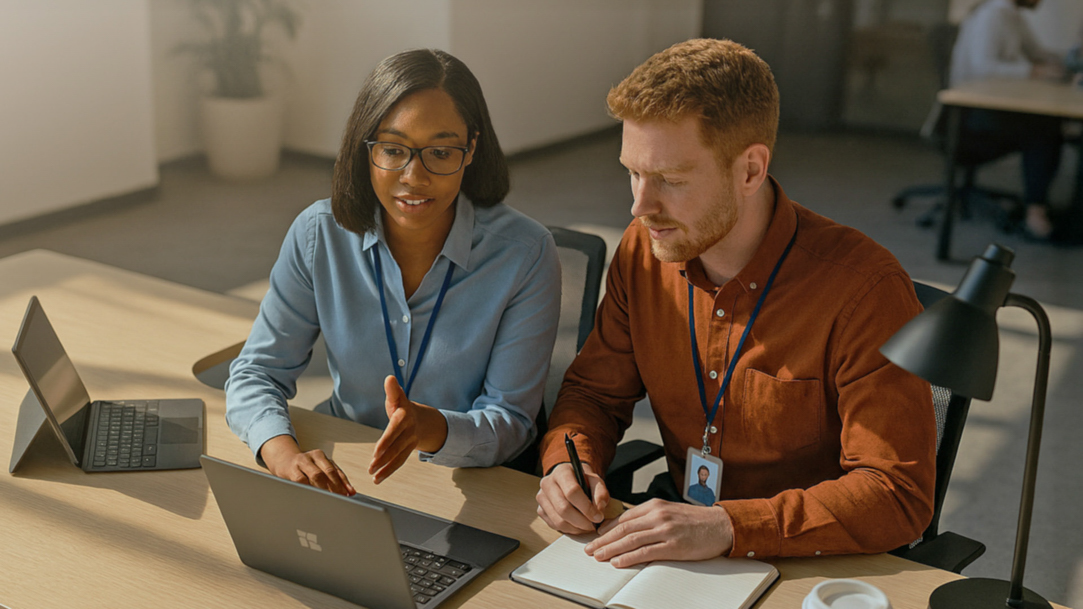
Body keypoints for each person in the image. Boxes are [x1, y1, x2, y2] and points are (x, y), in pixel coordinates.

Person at [535, 38, 937, 567]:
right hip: (677, 549)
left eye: (670, 181)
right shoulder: (643, 251)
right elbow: (593, 393)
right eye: (632, 172)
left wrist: (728, 525)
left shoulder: (864, 291)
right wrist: (569, 465)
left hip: (807, 564)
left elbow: (895, 491)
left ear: (750, 170)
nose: (639, 206)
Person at [226, 49, 561, 495]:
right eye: (392, 150)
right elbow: (257, 373)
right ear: (367, 151)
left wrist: (429, 427)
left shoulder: (526, 253)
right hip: (345, 473)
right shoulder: (318, 234)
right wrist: (283, 455)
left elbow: (513, 423)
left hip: (464, 482)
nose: (413, 176)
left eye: (440, 152)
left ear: (471, 148)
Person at [949, 0, 1067, 239]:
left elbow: (1038, 53)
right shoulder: (992, 16)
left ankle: (1037, 206)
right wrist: (1035, 71)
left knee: (1047, 123)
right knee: (1044, 129)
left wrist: (1066, 59)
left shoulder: (1013, 16)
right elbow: (983, 67)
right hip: (969, 115)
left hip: (990, 108)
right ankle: (1035, 214)